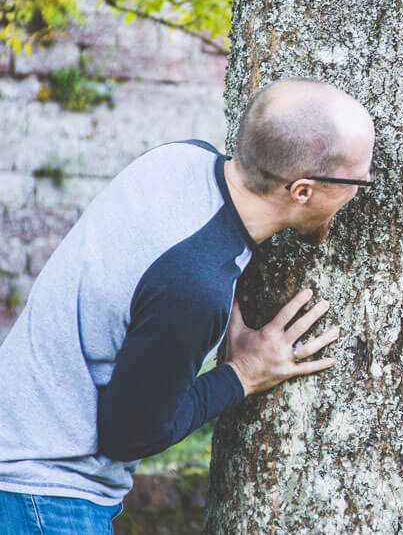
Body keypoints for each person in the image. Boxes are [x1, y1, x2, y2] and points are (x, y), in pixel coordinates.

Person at [0, 78, 376, 533]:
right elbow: (130, 436)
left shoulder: (177, 159)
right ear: (301, 191)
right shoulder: (193, 287)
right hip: (43, 497)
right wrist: (243, 374)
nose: (364, 188)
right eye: (359, 180)